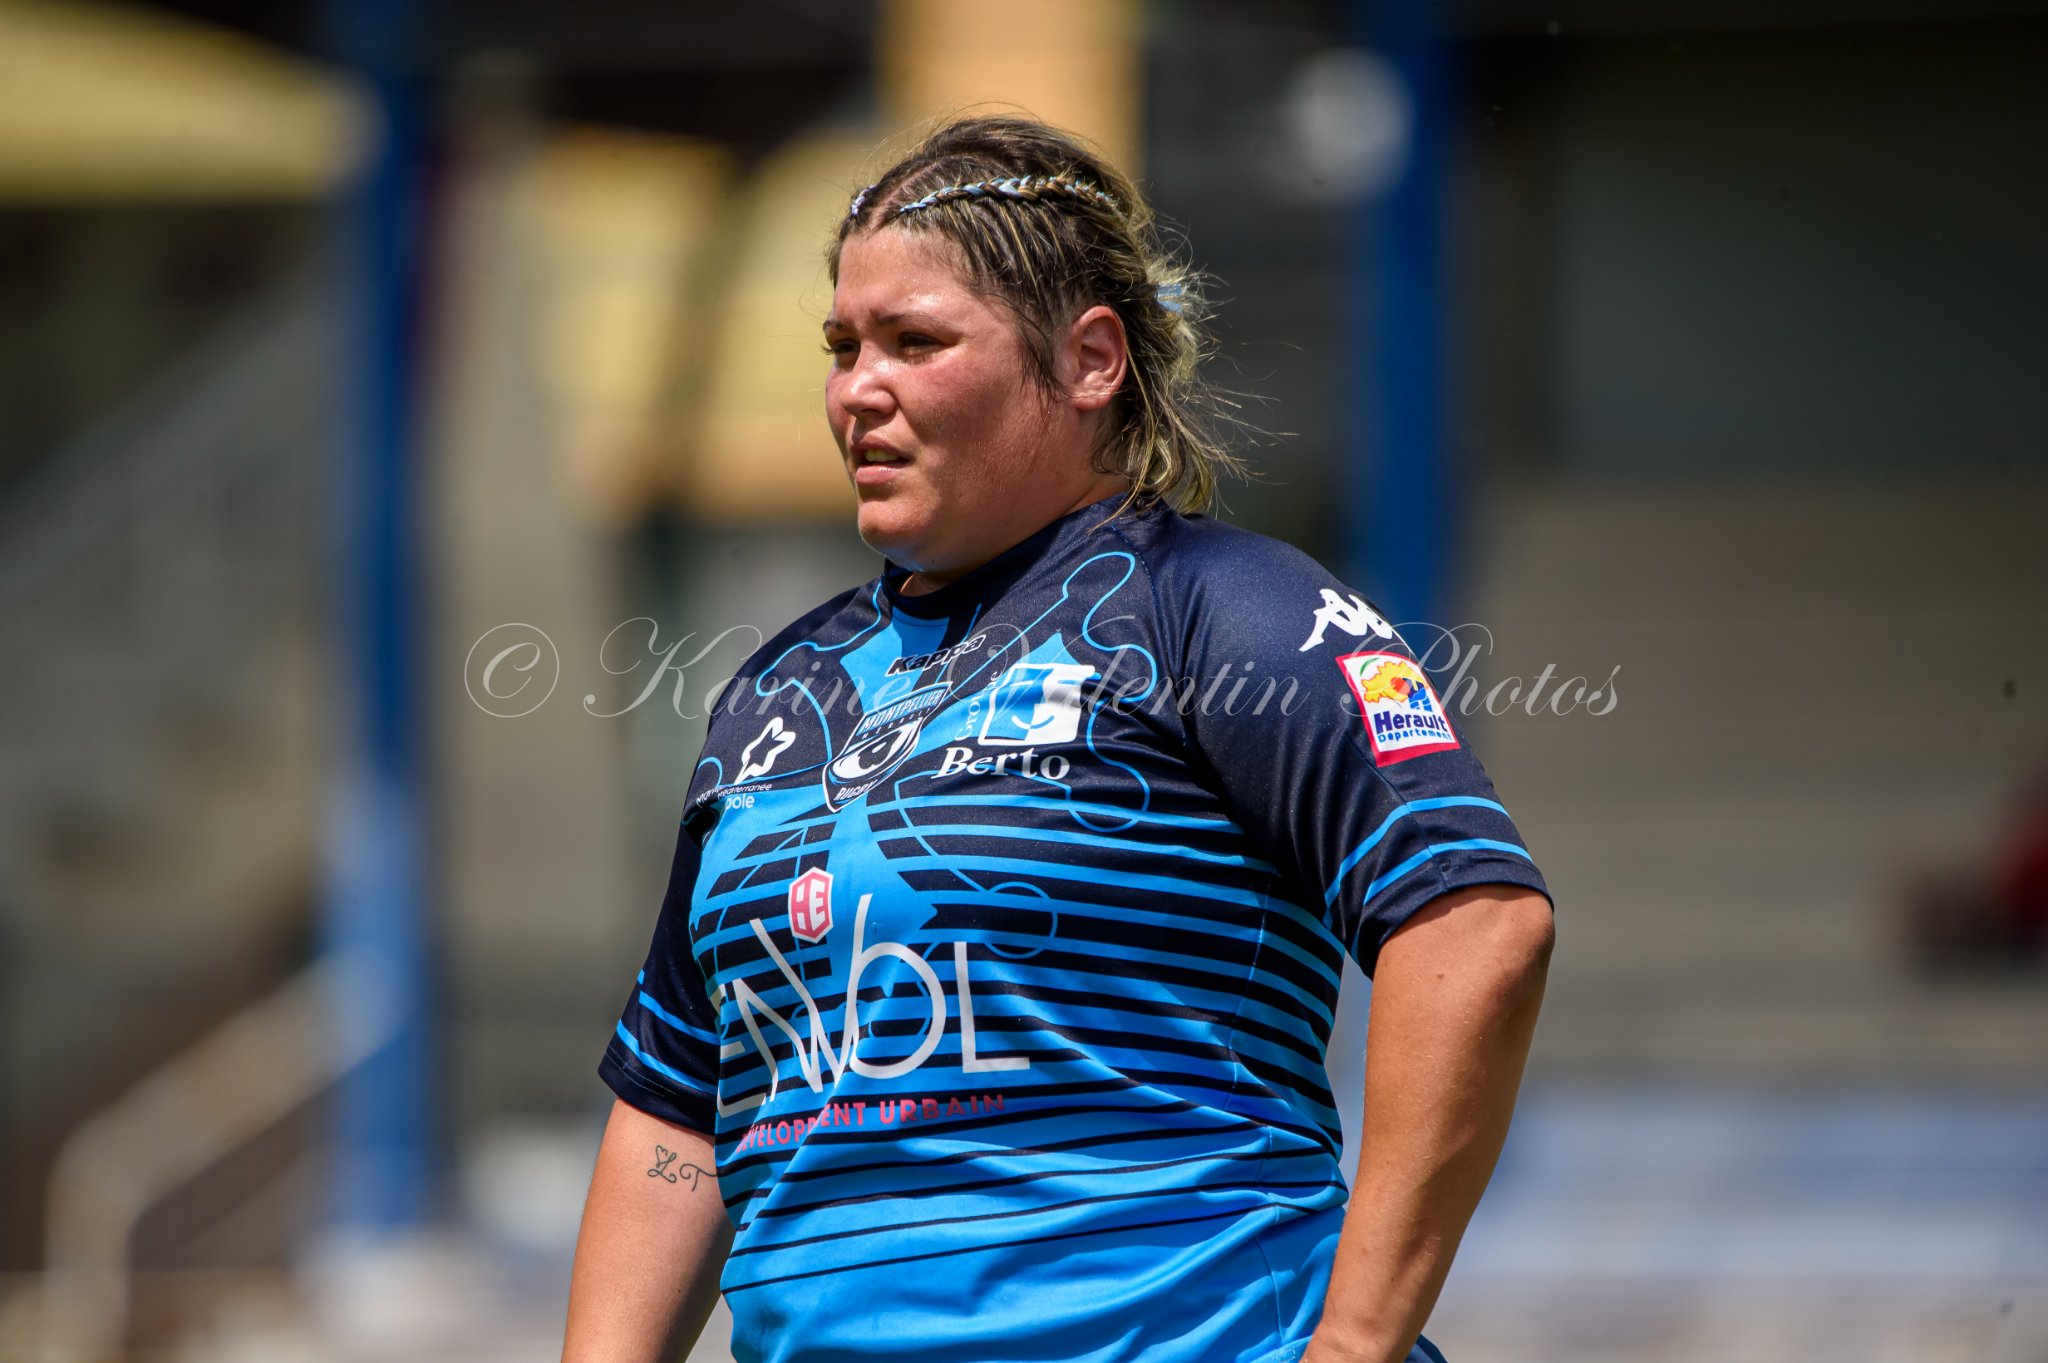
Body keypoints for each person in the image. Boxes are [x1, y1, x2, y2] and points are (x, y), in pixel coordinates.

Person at [564, 114, 1554, 1363]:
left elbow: (1476, 925)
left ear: (1088, 360)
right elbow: (679, 1109)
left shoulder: (1221, 610)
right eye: (841, 344)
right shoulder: (775, 688)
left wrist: (1353, 1346)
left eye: (914, 341)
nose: (856, 387)